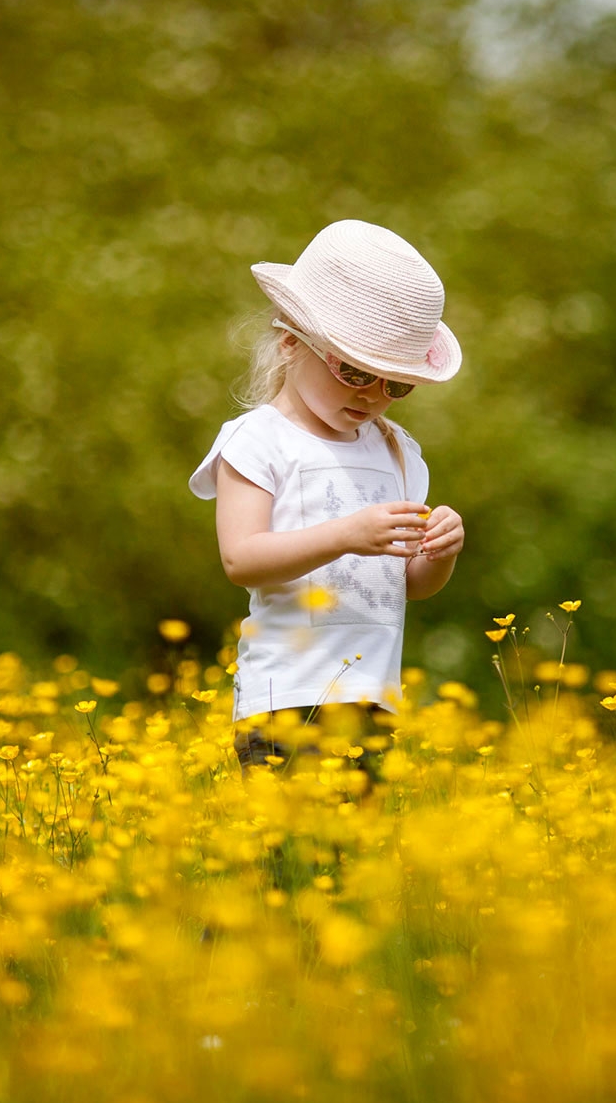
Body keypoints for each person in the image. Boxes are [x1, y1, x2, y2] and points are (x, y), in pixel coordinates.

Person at [188, 219, 465, 775]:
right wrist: (345, 536)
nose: (373, 396)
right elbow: (242, 560)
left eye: (396, 384)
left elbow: (411, 586)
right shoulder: (260, 439)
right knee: (291, 859)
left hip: (373, 700)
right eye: (356, 371)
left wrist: (440, 553)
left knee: (351, 860)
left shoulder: (398, 452)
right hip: (286, 701)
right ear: (291, 340)